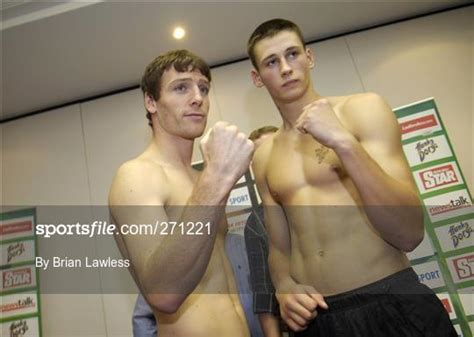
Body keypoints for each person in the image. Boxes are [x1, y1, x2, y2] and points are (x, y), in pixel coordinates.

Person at [247, 19, 457, 337]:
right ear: (257, 77)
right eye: (272, 62)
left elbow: (410, 233)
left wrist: (344, 143)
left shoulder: (363, 110)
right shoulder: (264, 156)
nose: (286, 68)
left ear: (309, 57)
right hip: (318, 320)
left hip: (391, 300)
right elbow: (278, 248)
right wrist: (284, 286)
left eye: (292, 54)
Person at [109, 49, 254, 337]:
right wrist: (217, 179)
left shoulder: (200, 179)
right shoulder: (137, 175)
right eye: (181, 87)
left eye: (203, 88)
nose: (198, 97)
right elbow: (164, 296)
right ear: (151, 102)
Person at [245, 126, 282, 337]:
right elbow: (263, 294)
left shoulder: (320, 195)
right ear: (252, 165)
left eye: (274, 148)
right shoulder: (256, 222)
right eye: (261, 154)